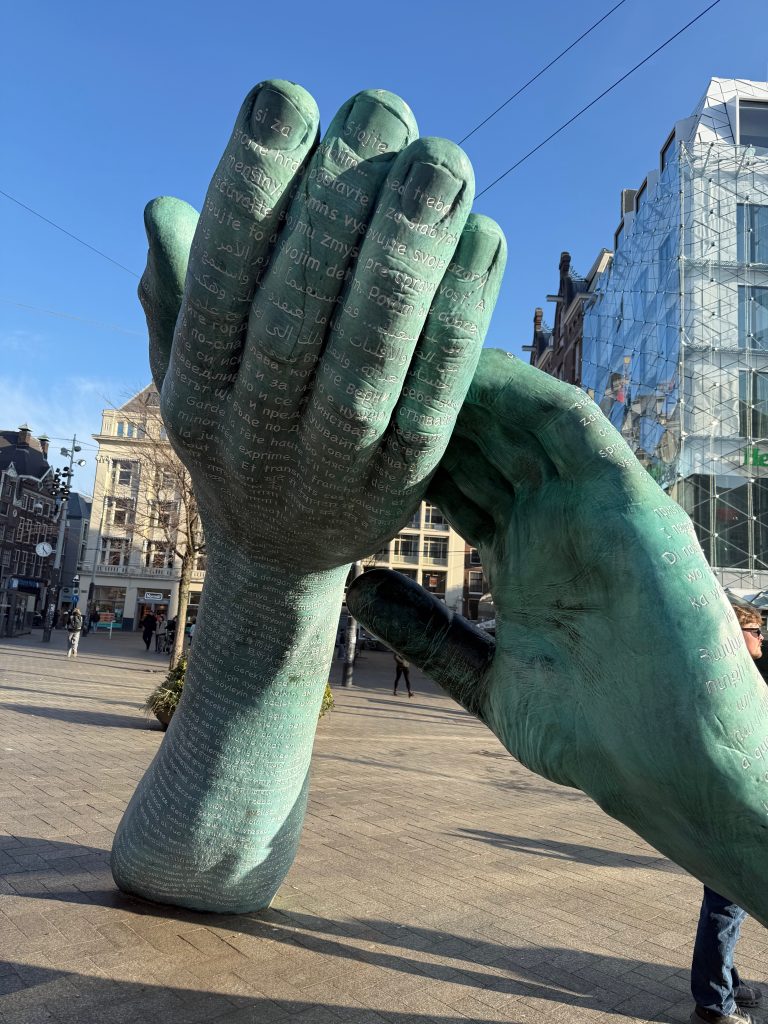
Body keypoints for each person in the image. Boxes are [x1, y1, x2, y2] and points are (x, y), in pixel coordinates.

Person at [690, 600, 765, 1024]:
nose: (761, 639)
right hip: (729, 810)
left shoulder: (740, 676)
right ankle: (714, 1003)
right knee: (725, 906)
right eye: (755, 630)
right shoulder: (726, 682)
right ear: (734, 636)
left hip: (729, 807)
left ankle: (725, 985)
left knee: (725, 904)